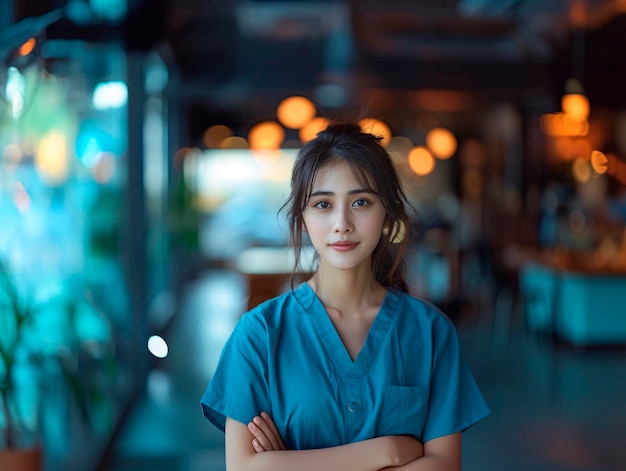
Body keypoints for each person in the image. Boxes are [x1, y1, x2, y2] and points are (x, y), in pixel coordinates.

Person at [200, 123, 490, 470]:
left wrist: (289, 464)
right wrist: (388, 452)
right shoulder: (259, 333)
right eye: (323, 204)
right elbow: (245, 468)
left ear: (387, 214)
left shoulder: (430, 332)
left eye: (361, 202)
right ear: (302, 217)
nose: (342, 222)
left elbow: (443, 466)